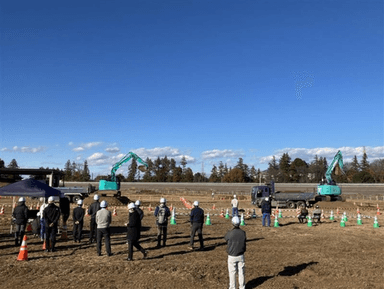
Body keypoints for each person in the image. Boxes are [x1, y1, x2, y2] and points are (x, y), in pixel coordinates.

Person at [224, 216, 246, 289]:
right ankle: (242, 287)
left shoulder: (230, 233)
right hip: (240, 254)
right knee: (241, 272)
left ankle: (232, 287)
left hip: (232, 255)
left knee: (232, 272)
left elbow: (226, 239)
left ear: (232, 223)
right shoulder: (243, 233)